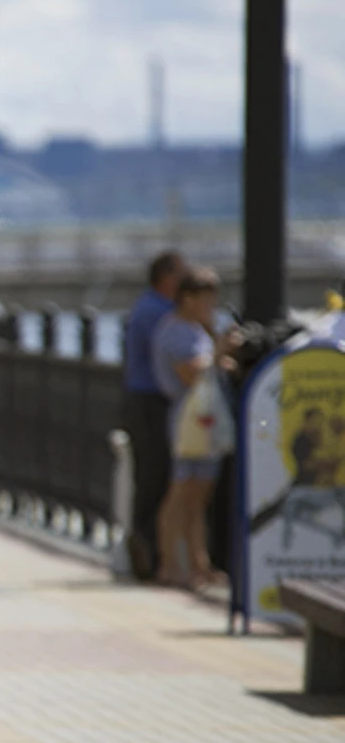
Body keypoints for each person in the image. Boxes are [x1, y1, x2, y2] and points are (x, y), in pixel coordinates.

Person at [153, 267, 229, 592]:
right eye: (205, 298)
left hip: (207, 419)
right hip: (188, 419)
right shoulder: (175, 332)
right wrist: (220, 352)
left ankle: (200, 564)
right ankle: (170, 564)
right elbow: (191, 374)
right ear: (187, 297)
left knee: (199, 495)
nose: (210, 304)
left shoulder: (201, 330)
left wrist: (215, 340)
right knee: (181, 491)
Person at [123, 250, 187, 582]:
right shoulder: (158, 313)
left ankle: (149, 551)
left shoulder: (151, 308)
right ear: (165, 276)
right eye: (180, 273)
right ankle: (147, 553)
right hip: (151, 403)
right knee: (154, 478)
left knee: (152, 479)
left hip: (147, 402)